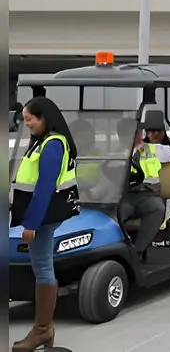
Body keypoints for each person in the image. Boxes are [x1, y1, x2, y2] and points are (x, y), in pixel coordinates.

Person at [10, 97, 80, 352]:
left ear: (43, 118)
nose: (26, 124)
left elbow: (44, 188)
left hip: (44, 216)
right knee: (42, 267)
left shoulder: (52, 145)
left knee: (42, 268)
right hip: (42, 215)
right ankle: (43, 330)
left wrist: (31, 224)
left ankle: (42, 330)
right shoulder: (44, 142)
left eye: (29, 120)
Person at [118, 114, 170, 256]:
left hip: (149, 196)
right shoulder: (117, 154)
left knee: (157, 209)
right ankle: (116, 250)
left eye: (137, 132)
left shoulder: (153, 149)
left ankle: (137, 252)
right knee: (112, 214)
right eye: (128, 133)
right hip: (126, 197)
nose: (135, 136)